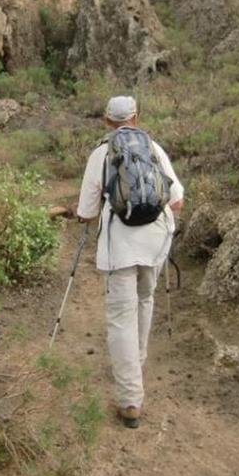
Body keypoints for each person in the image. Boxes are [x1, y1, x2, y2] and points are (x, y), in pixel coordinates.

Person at [71, 95, 184, 429]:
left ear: (106, 122)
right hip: (155, 241)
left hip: (120, 245)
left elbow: (87, 212)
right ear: (136, 117)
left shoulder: (100, 154)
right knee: (145, 299)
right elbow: (176, 201)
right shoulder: (154, 148)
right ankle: (138, 360)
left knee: (121, 317)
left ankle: (130, 400)